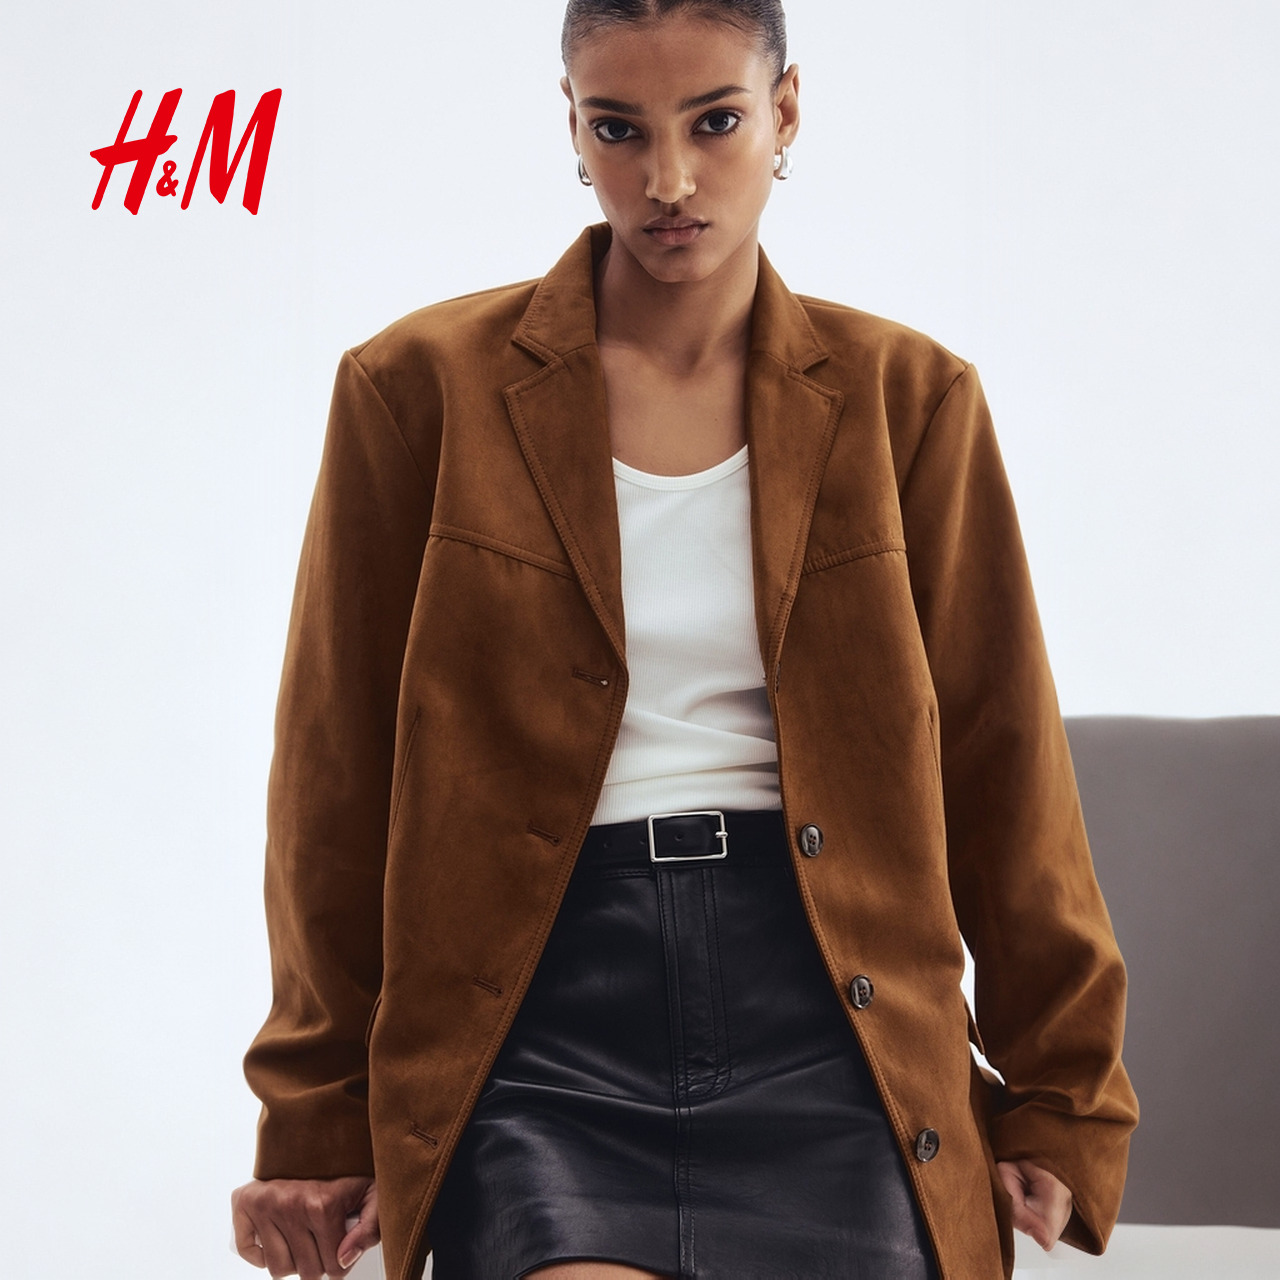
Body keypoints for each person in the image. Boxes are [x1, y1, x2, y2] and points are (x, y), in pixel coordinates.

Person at [231, 2, 1139, 1277]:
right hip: (537, 1019)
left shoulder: (907, 399)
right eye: (619, 129)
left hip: (834, 1012)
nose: (666, 179)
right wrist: (315, 1111)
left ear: (784, 112)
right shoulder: (417, 388)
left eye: (713, 121)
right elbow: (334, 779)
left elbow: (1003, 761)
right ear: (571, 127)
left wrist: (1060, 1092)